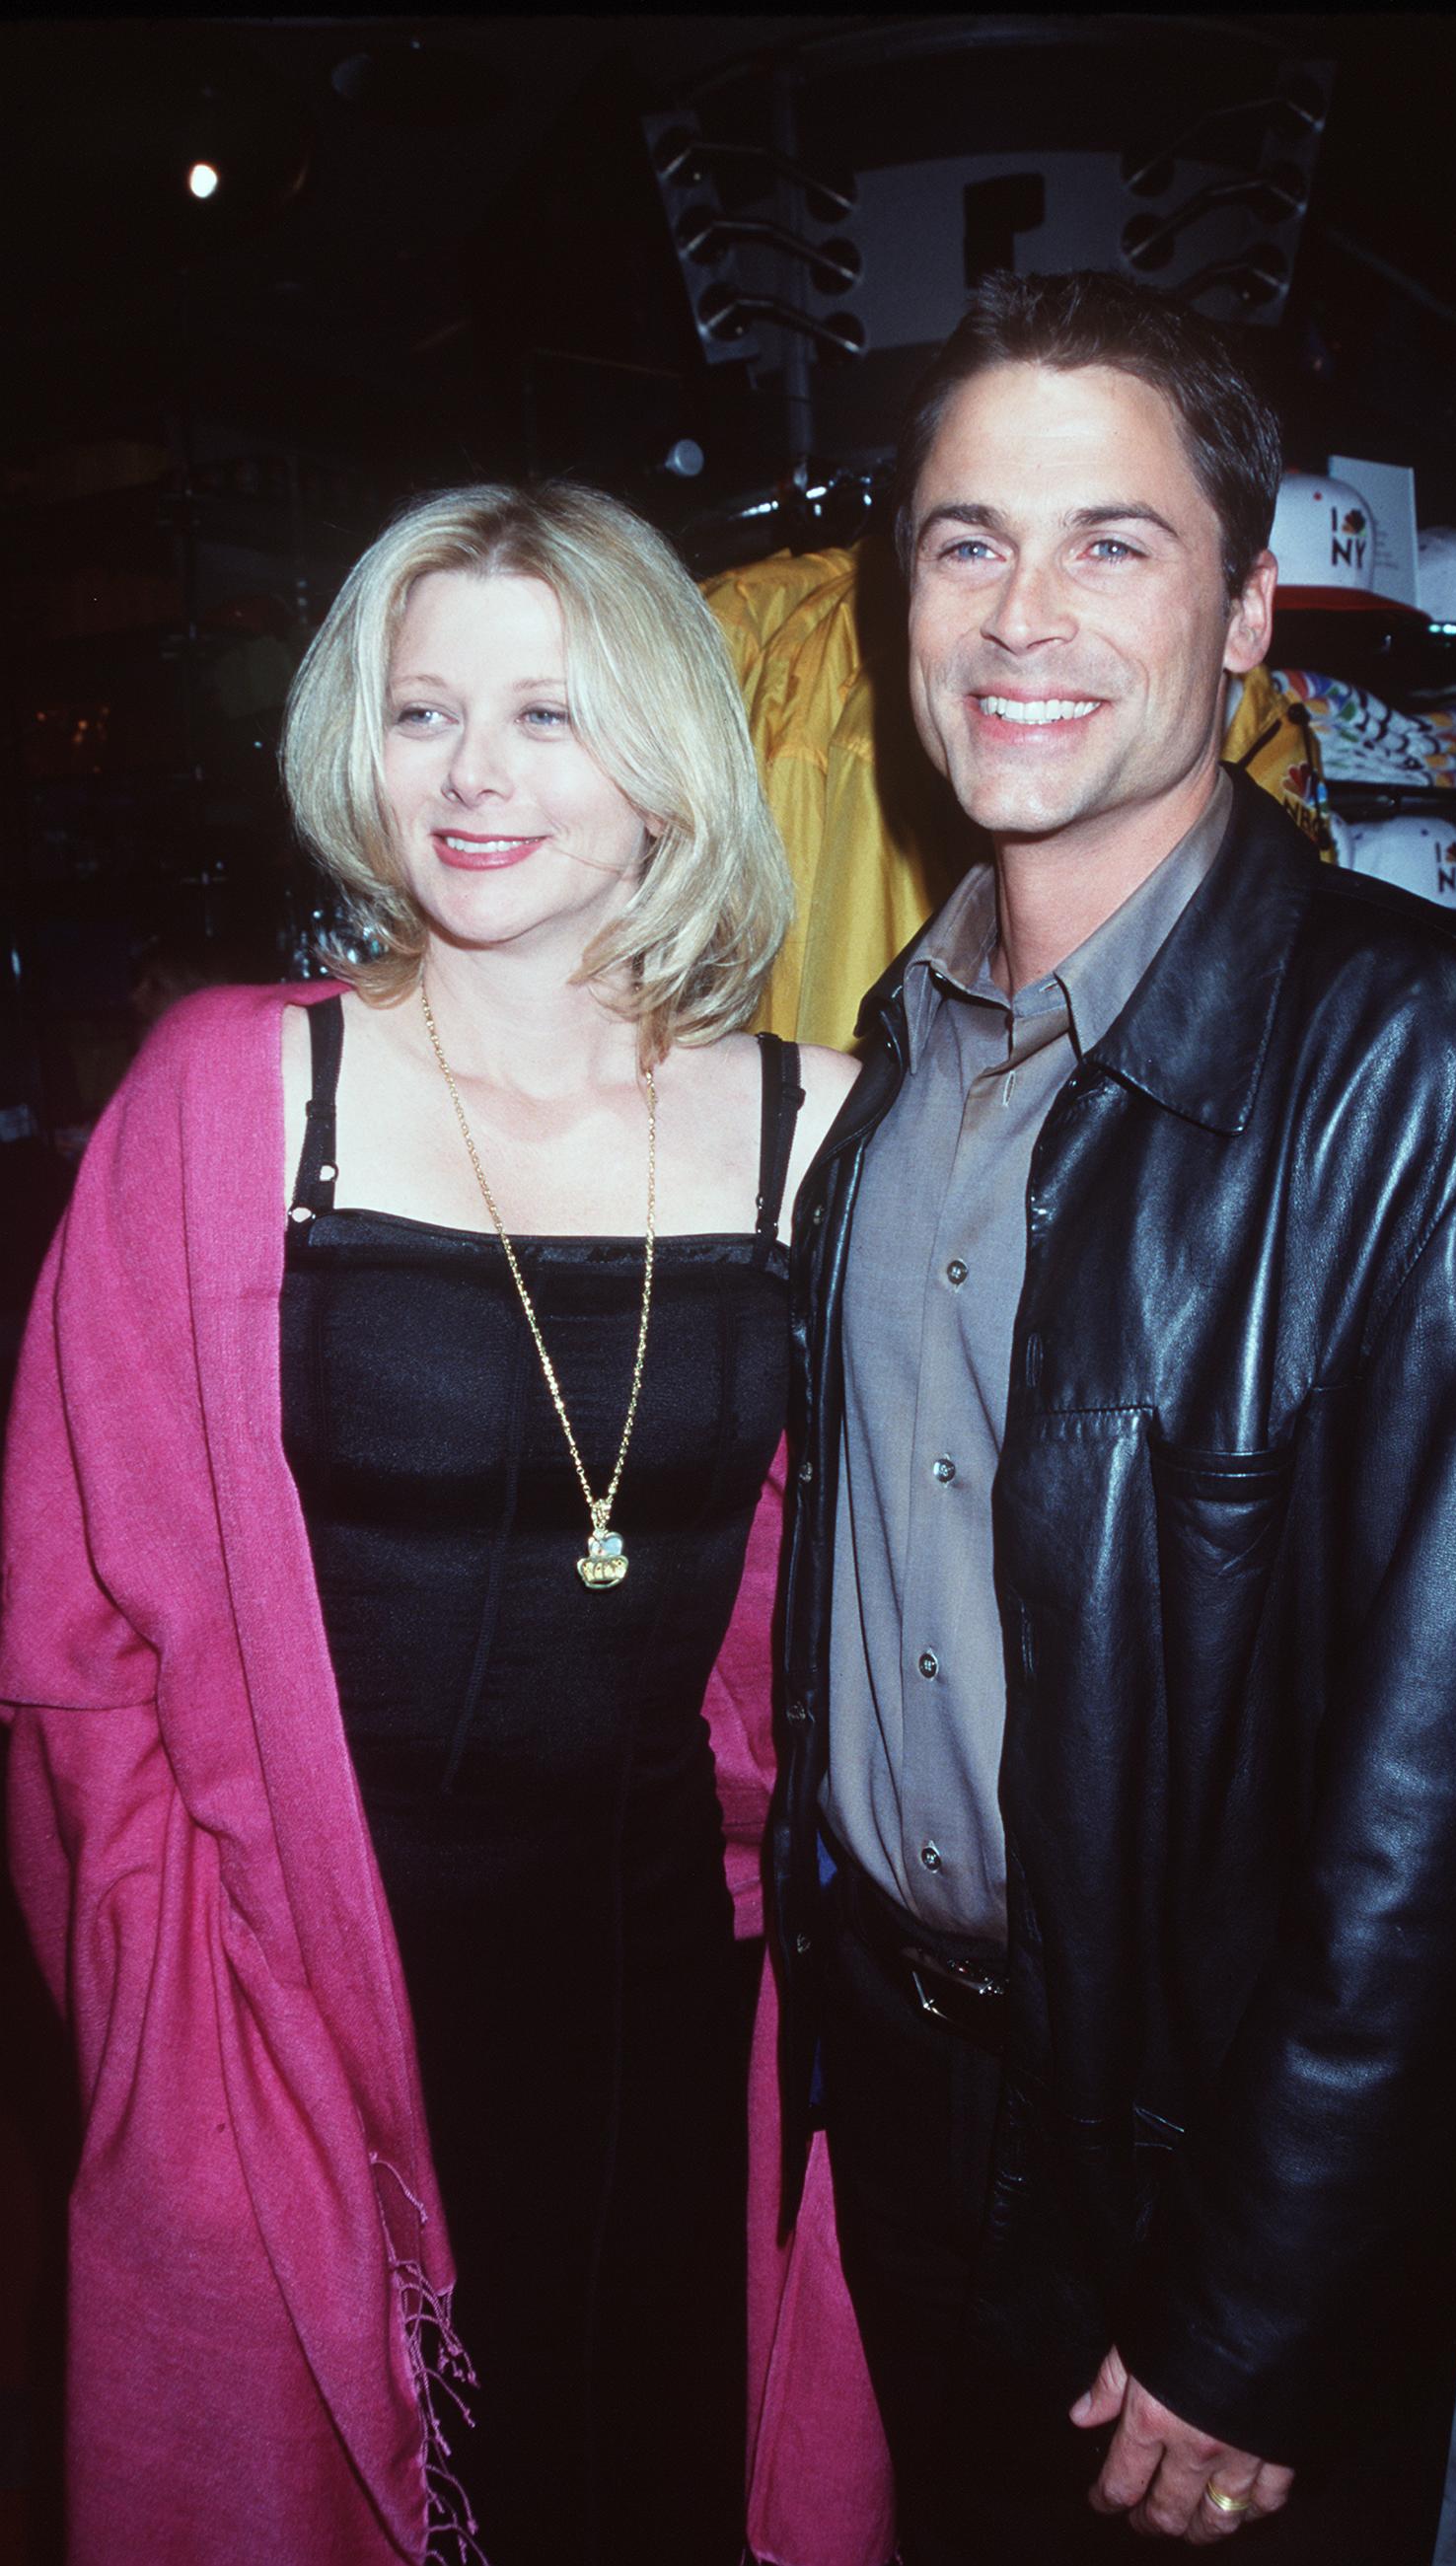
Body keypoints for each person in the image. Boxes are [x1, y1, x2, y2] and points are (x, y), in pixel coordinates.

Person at [768, 271, 1456, 2564]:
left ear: (1248, 608)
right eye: (965, 541)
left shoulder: (1426, 1070)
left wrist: (1273, 2292)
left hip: (1204, 2166)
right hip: (893, 2101)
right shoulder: (886, 1071)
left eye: (1114, 542)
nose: (1020, 613)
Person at [0, 480, 856, 2565]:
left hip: (673, 1980)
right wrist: (157, 2008)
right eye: (420, 710)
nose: (470, 773)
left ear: (665, 758)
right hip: (289, 1985)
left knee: (632, 2473)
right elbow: (68, 1623)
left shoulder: (816, 1120)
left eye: (548, 715)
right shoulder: (229, 1096)